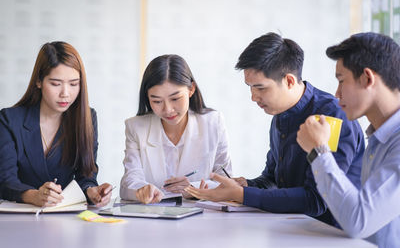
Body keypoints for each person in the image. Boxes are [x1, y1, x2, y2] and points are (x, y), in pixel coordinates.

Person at [185, 32, 364, 227]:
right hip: (293, 229)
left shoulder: (331, 117)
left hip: (333, 236)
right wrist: (243, 185)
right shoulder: (280, 114)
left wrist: (243, 195)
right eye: (250, 87)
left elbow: (317, 200)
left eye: (260, 88)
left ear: (288, 80)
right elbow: (272, 179)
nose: (253, 97)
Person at [296, 32, 400, 248]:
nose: (337, 93)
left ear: (367, 78)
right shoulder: (379, 137)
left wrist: (319, 151)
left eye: (342, 81)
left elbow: (358, 220)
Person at [0, 41, 112, 207]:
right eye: (55, 84)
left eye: (74, 84)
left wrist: (91, 191)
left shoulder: (87, 118)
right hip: (18, 216)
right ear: (39, 81)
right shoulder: (9, 119)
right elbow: (5, 182)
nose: (65, 93)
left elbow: (85, 176)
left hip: (64, 216)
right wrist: (34, 196)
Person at [120, 54, 232, 204]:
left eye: (175, 98)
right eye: (157, 101)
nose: (168, 110)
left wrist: (193, 188)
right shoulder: (136, 127)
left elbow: (227, 181)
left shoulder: (213, 122)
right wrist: (142, 189)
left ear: (191, 89)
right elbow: (129, 181)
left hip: (203, 218)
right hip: (152, 218)